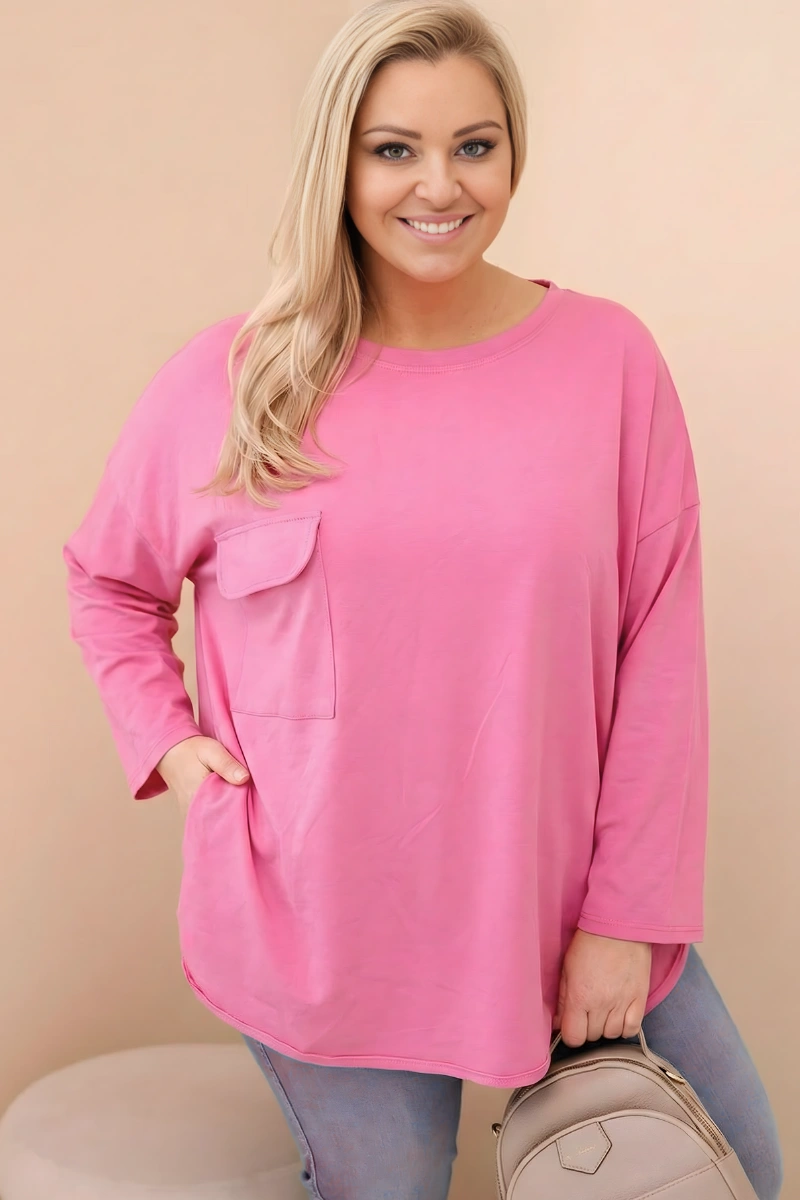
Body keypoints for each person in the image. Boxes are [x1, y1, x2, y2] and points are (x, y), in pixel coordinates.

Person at [62, 1, 784, 1197]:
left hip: (563, 899)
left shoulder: (607, 363)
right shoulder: (233, 380)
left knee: (737, 1171)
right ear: (337, 162)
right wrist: (176, 751)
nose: (438, 185)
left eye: (473, 145)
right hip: (322, 927)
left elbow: (658, 651)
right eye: (392, 148)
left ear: (512, 153)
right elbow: (108, 581)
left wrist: (621, 917)